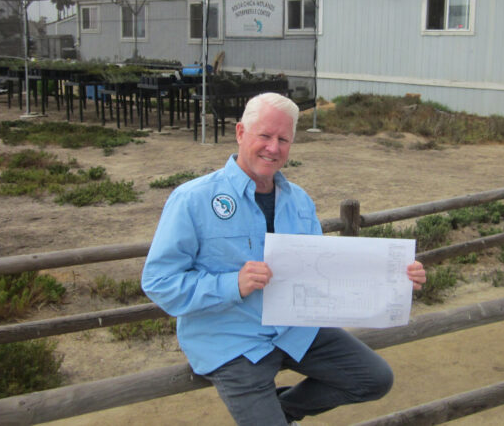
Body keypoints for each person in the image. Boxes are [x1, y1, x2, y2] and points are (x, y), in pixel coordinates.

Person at [142, 92, 426, 425]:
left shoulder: (299, 201)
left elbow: (323, 273)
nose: (273, 148)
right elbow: (158, 281)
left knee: (375, 378)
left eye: (283, 139)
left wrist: (395, 278)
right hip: (232, 342)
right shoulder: (193, 199)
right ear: (240, 133)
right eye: (264, 135)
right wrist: (231, 284)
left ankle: (283, 411)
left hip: (294, 328)